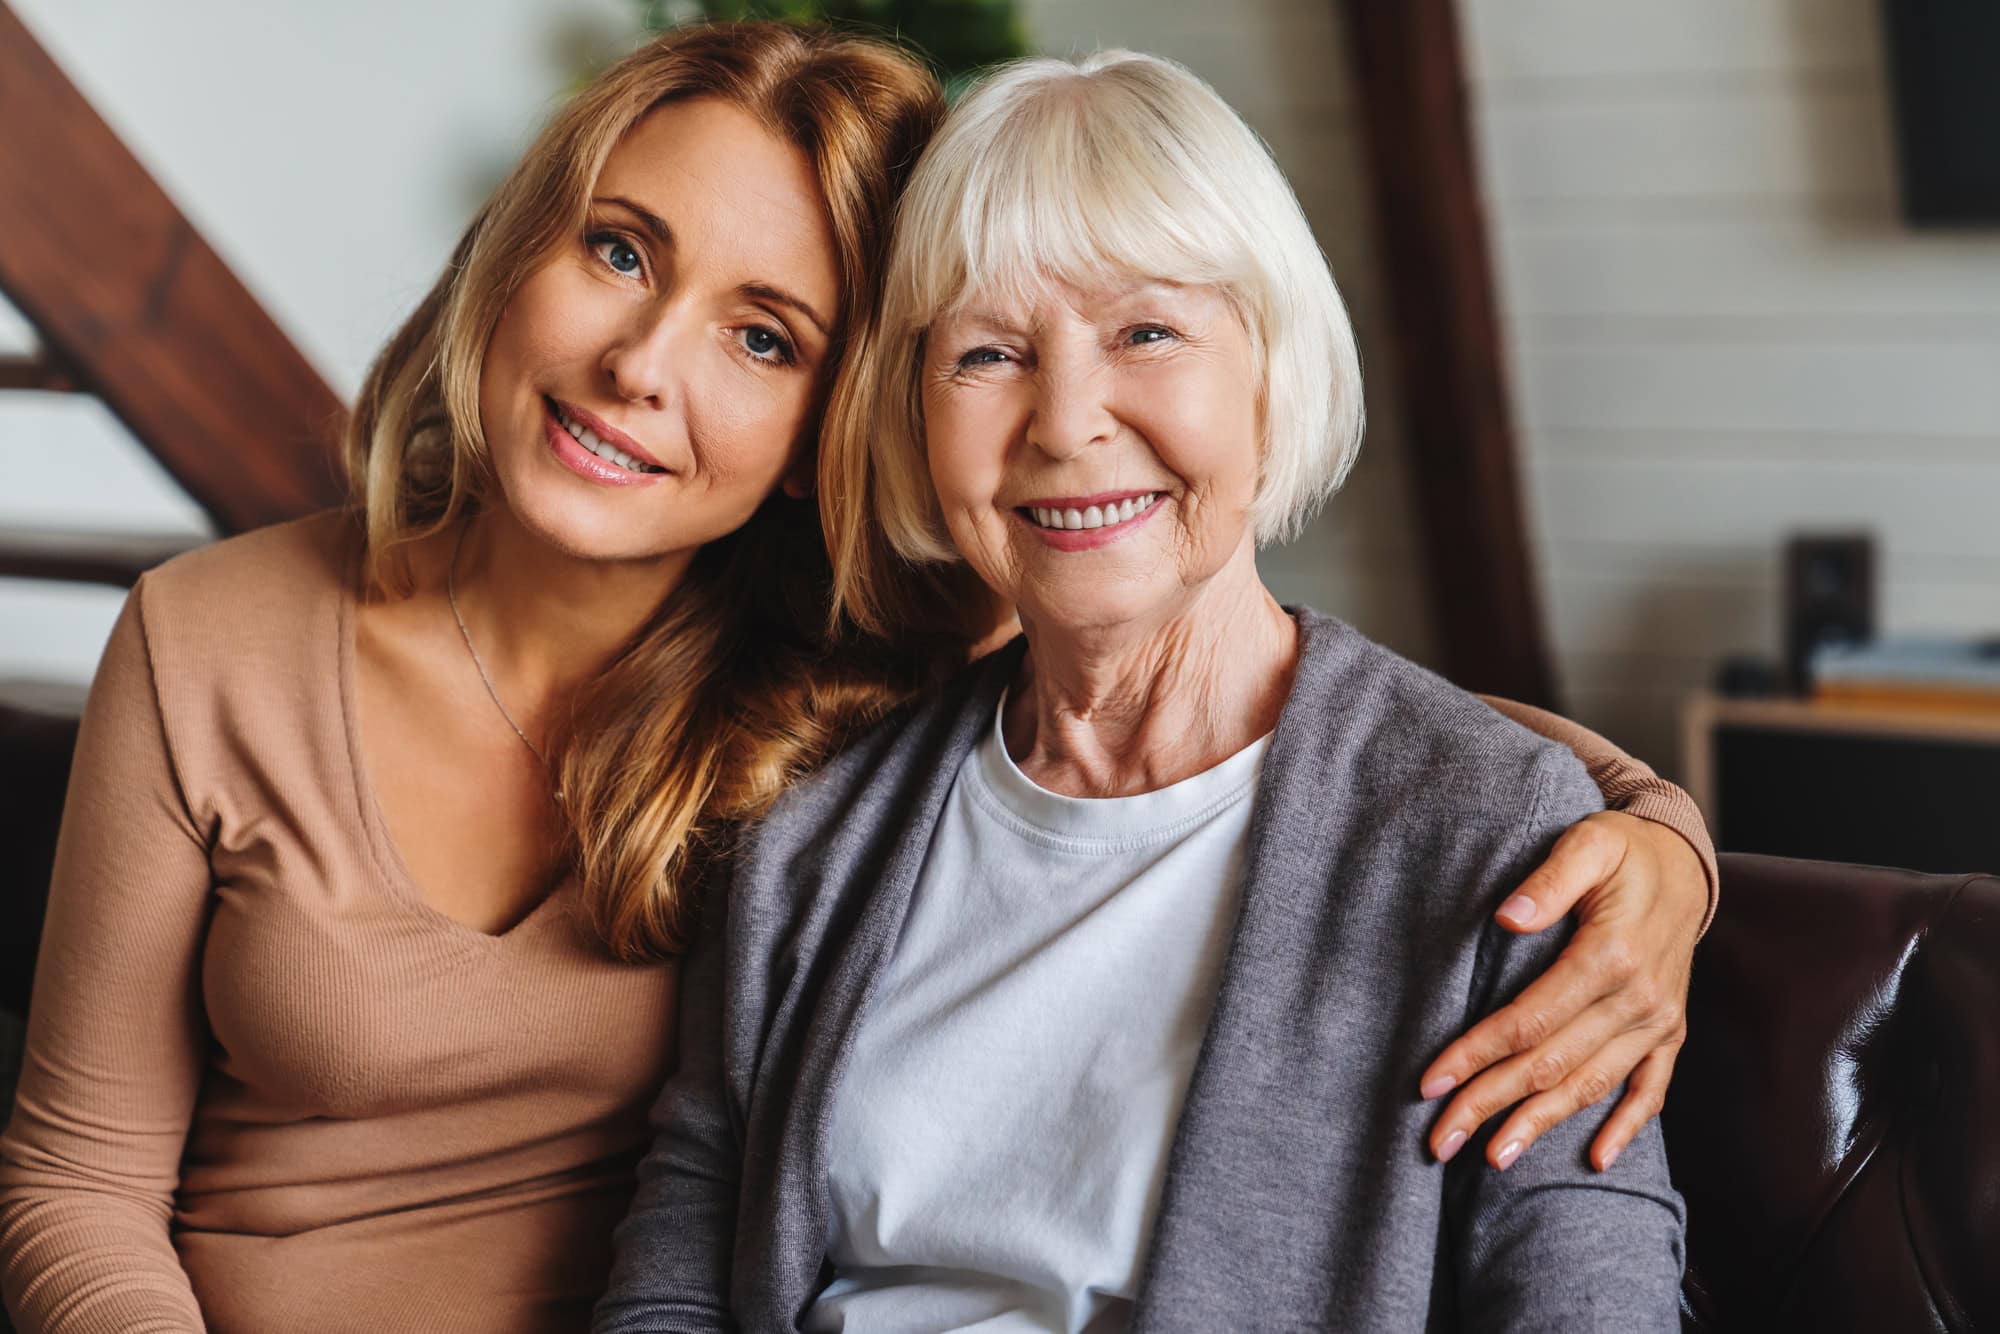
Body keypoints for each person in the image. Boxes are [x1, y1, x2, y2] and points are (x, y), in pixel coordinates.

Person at [2, 22, 1702, 1334]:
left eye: (764, 334)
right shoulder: (224, 638)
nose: (639, 365)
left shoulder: (844, 686)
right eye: (616, 248)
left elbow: (1306, 722)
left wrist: (1657, 842)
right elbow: (77, 1179)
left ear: (830, 428)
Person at [596, 50, 1686, 1332]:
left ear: (1270, 373)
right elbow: (679, 1255)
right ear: (912, 413)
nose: (1064, 422)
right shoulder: (811, 837)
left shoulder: (1494, 832)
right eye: (987, 354)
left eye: (1146, 332)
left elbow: (1584, 1293)